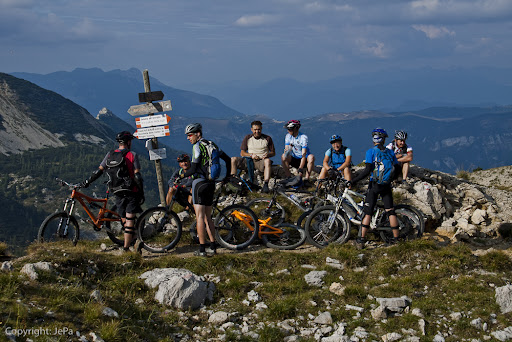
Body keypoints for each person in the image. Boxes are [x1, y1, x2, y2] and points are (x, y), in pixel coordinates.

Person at [82, 131, 144, 252]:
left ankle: (132, 240)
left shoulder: (110, 155)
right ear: (129, 142)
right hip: (131, 190)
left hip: (116, 190)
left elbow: (99, 171)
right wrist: (141, 191)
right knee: (130, 218)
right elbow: (137, 175)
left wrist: (88, 182)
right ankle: (127, 247)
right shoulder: (132, 155)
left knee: (124, 218)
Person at [180, 123, 231, 257]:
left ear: (198, 134)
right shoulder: (212, 144)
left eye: (190, 135)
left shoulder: (197, 146)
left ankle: (202, 249)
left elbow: (193, 169)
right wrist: (227, 177)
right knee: (208, 217)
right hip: (211, 184)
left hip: (199, 184)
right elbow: (228, 159)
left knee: (200, 217)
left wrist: (181, 176)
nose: (188, 138)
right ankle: (213, 246)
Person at [349, 128, 400, 249]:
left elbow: (367, 171)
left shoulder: (371, 152)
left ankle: (361, 241)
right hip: (386, 185)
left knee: (368, 213)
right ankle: (397, 239)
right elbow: (397, 168)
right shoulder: (390, 152)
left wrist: (353, 181)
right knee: (390, 211)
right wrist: (391, 179)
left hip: (374, 185)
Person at [231, 120, 276, 193]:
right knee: (233, 159)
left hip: (261, 161)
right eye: (255, 129)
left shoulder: (267, 138)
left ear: (261, 129)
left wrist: (267, 155)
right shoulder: (248, 138)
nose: (257, 131)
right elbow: (242, 153)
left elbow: (273, 152)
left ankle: (266, 184)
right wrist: (251, 155)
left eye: (259, 129)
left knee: (268, 161)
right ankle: (233, 181)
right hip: (249, 160)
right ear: (251, 129)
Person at [281, 119, 315, 184]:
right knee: (283, 156)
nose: (288, 131)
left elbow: (304, 154)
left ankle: (307, 179)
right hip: (294, 158)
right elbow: (286, 151)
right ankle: (289, 177)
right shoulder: (288, 136)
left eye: (290, 129)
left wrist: (300, 169)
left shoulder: (303, 137)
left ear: (296, 129)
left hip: (304, 159)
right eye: (288, 129)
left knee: (311, 157)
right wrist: (287, 151)